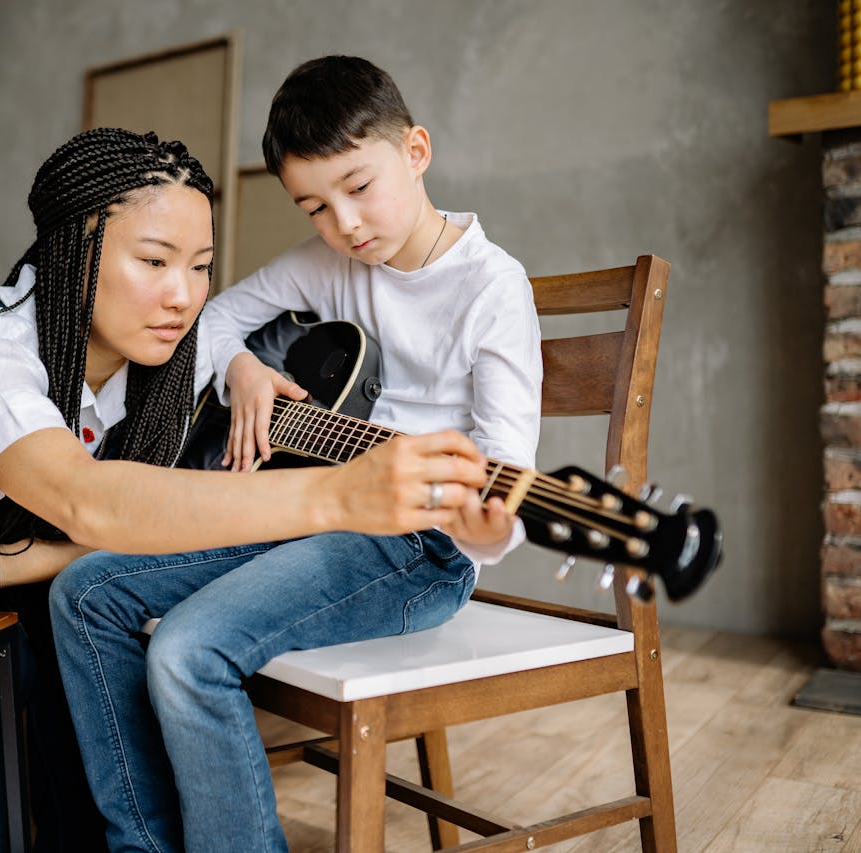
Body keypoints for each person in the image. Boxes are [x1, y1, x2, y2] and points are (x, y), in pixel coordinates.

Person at [0, 126, 491, 853]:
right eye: (154, 261)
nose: (184, 296)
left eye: (200, 267)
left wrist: (242, 368)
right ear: (72, 256)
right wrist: (339, 497)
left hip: (45, 543)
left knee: (80, 671)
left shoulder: (178, 353)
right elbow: (88, 500)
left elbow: (114, 525)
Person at [48, 56, 544, 853]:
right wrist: (244, 367)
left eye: (358, 187)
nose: (344, 224)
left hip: (418, 549)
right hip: (309, 510)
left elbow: (505, 483)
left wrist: (485, 528)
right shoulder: (333, 265)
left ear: (416, 151)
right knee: (84, 592)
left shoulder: (492, 287)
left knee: (187, 648)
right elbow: (211, 321)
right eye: (315, 206)